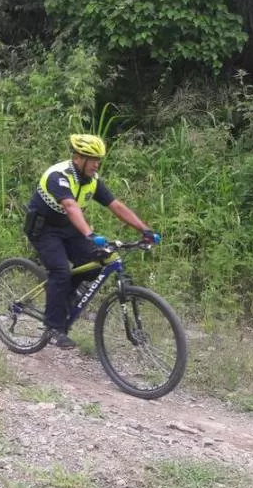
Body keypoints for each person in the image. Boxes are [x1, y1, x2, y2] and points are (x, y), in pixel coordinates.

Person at [24, 134, 157, 349]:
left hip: (70, 228)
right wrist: (89, 234)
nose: (97, 164)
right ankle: (53, 327)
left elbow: (116, 206)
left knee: (99, 260)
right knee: (60, 272)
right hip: (45, 230)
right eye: (92, 159)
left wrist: (144, 229)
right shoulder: (58, 176)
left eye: (99, 160)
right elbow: (70, 206)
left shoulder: (92, 181)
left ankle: (65, 298)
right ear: (77, 158)